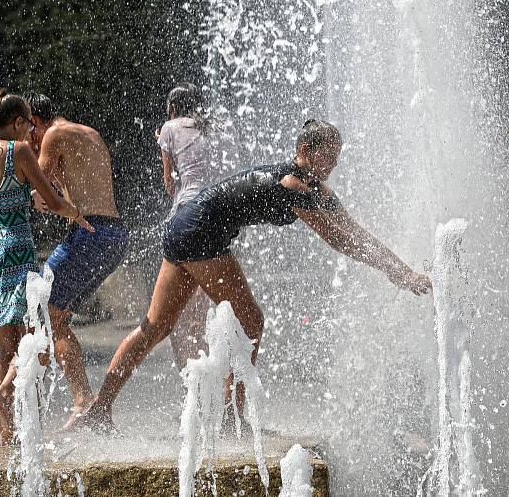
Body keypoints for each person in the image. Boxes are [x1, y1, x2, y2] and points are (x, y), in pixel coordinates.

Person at [74, 119, 432, 432]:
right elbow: (340, 240)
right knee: (251, 321)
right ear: (306, 150)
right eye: (329, 155)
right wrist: (397, 275)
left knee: (156, 327)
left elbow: (355, 231)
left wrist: (403, 272)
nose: (335, 164)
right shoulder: (292, 186)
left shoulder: (313, 188)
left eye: (338, 156)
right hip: (200, 234)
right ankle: (232, 417)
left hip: (182, 228)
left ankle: (99, 408)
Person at [0, 89, 92, 444]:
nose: (29, 133)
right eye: (27, 125)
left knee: (6, 347)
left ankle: (9, 431)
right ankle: (9, 402)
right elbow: (50, 198)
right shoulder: (17, 152)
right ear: (18, 122)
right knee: (38, 339)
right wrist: (76, 213)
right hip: (13, 251)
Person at [24, 92, 129, 428]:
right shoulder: (88, 132)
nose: (28, 142)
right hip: (114, 236)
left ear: (35, 123)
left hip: (90, 234)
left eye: (28, 134)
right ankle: (87, 404)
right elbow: (80, 187)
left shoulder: (52, 135)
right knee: (57, 315)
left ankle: (83, 402)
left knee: (44, 310)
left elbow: (38, 187)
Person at [156, 82, 236, 370]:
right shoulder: (213, 128)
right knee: (213, 312)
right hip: (216, 217)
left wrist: (164, 145)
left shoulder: (169, 127)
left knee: (177, 317)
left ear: (173, 108)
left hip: (187, 218)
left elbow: (169, 184)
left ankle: (194, 388)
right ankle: (219, 386)